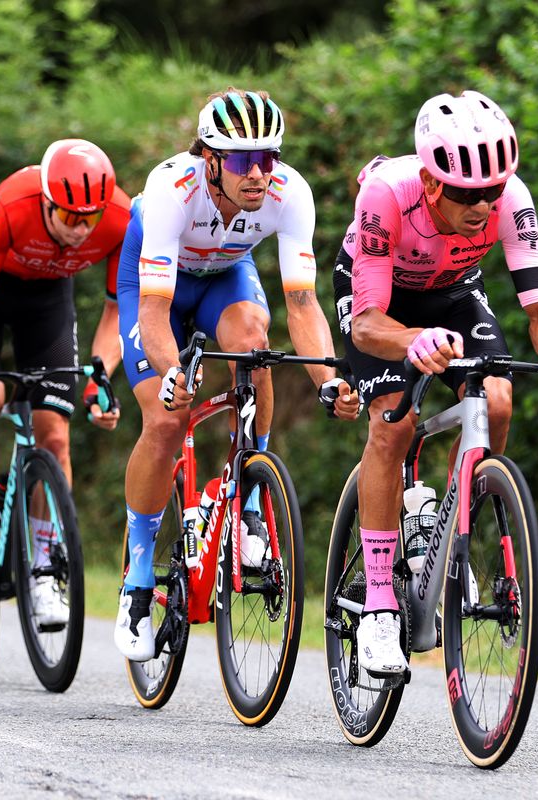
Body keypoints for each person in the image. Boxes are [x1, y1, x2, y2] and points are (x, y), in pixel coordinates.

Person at [332, 90, 538, 675]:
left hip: (452, 292)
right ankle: (379, 603)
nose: (484, 205)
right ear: (431, 184)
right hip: (380, 301)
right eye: (468, 194)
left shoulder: (511, 198)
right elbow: (369, 321)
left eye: (493, 191)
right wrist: (412, 340)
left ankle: (454, 531)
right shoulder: (386, 196)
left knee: (497, 398)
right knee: (391, 423)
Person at [114, 89, 359, 660]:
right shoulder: (170, 189)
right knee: (166, 419)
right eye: (244, 160)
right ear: (209, 158)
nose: (259, 173)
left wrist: (327, 379)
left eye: (268, 157)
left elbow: (302, 304)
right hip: (156, 288)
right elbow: (153, 312)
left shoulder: (288, 191)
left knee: (256, 345)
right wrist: (174, 372)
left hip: (225, 276)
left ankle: (249, 498)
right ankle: (138, 578)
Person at [0, 138, 130, 625]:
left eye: (90, 218)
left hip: (48, 302)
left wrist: (100, 377)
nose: (82, 229)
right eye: (70, 217)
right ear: (46, 201)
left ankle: (44, 569)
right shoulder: (12, 204)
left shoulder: (120, 219)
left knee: (55, 435)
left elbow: (117, 311)